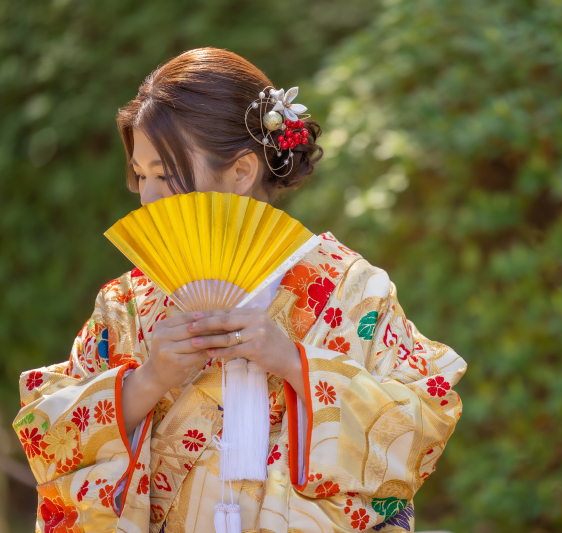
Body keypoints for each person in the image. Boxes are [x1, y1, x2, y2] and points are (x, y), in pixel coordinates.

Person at [13, 47, 467, 533]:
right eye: (142, 176)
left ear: (242, 172)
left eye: (166, 175)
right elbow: (48, 434)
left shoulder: (350, 291)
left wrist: (294, 362)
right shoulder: (127, 305)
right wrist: (147, 379)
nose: (148, 196)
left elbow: (421, 421)